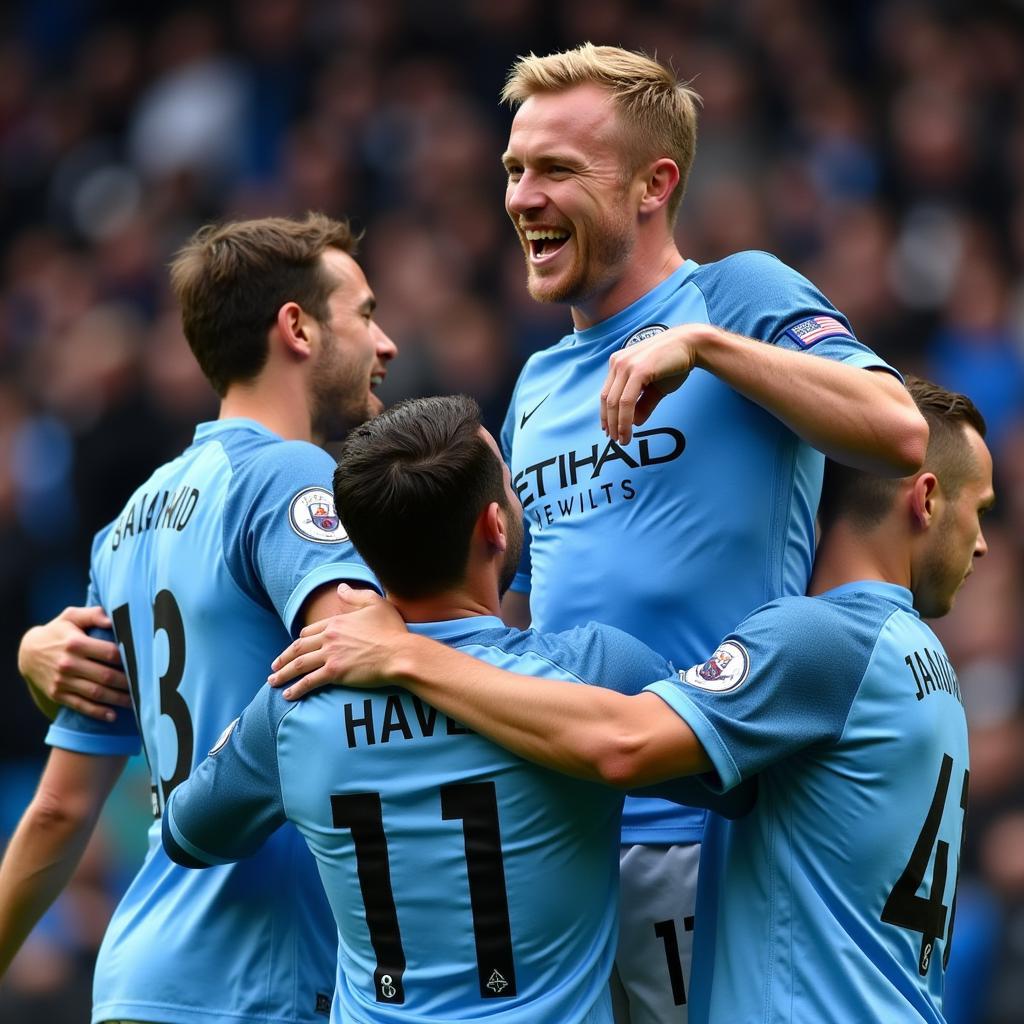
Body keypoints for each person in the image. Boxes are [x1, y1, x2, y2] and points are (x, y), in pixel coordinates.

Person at [276, 43, 930, 1023]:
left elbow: (898, 433)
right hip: (558, 837)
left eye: (555, 170)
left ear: (651, 186)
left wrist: (707, 348)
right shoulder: (535, 384)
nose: (522, 198)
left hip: (704, 822)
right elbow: (525, 607)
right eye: (512, 170)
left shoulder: (737, 295)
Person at [269, 377, 993, 1023]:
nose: (984, 543)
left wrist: (411, 655)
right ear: (926, 498)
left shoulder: (818, 640)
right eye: (981, 511)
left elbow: (622, 741)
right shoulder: (919, 658)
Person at [160, 394, 732, 1024]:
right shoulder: (595, 672)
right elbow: (739, 781)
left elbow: (190, 833)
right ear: (495, 524)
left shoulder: (297, 695)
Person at [0, 214, 397, 1024]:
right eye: (363, 314)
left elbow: (59, 811)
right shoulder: (288, 474)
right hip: (258, 977)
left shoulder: (127, 527)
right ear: (297, 328)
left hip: (139, 977)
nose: (385, 343)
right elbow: (359, 651)